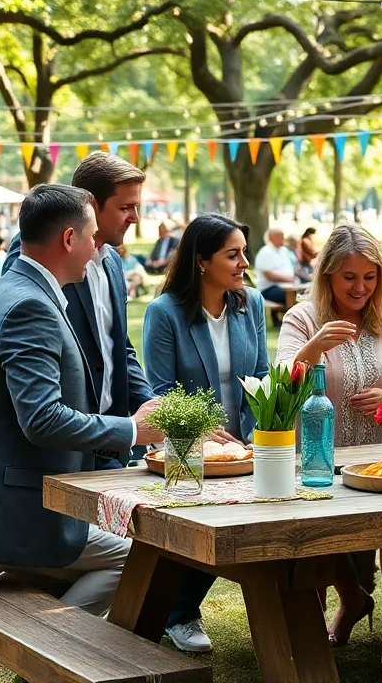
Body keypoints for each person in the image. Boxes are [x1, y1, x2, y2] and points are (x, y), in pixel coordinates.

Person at [0, 184, 167, 615]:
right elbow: (42, 419)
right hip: (19, 511)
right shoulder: (29, 307)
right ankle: (53, 649)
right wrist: (134, 429)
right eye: (93, 237)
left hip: (5, 502)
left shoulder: (14, 285)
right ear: (69, 239)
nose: (99, 248)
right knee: (147, 554)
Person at [276, 223, 382, 671]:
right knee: (318, 533)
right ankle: (348, 599)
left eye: (370, 277)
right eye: (350, 277)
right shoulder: (302, 317)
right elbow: (277, 384)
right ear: (328, 274)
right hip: (319, 454)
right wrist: (312, 347)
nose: (361, 287)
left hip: (381, 455)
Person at [142, 213, 268, 652]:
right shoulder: (164, 313)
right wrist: (204, 429)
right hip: (185, 446)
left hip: (247, 447)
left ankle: (171, 611)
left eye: (243, 253)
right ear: (201, 260)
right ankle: (178, 615)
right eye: (233, 255)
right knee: (198, 533)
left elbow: (261, 374)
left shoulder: (249, 303)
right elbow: (160, 392)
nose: (244, 263)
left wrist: (263, 433)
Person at [4, 152, 158, 468]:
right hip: (57, 451)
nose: (135, 218)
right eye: (125, 207)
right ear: (90, 202)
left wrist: (152, 408)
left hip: (108, 446)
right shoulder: (43, 253)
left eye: (137, 207)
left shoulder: (114, 263)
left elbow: (118, 347)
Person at [254, 226, 296, 304]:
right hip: (268, 289)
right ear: (270, 237)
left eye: (283, 235)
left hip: (288, 286)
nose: (282, 237)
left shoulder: (284, 250)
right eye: (279, 236)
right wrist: (289, 278)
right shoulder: (265, 252)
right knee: (292, 297)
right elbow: (268, 275)